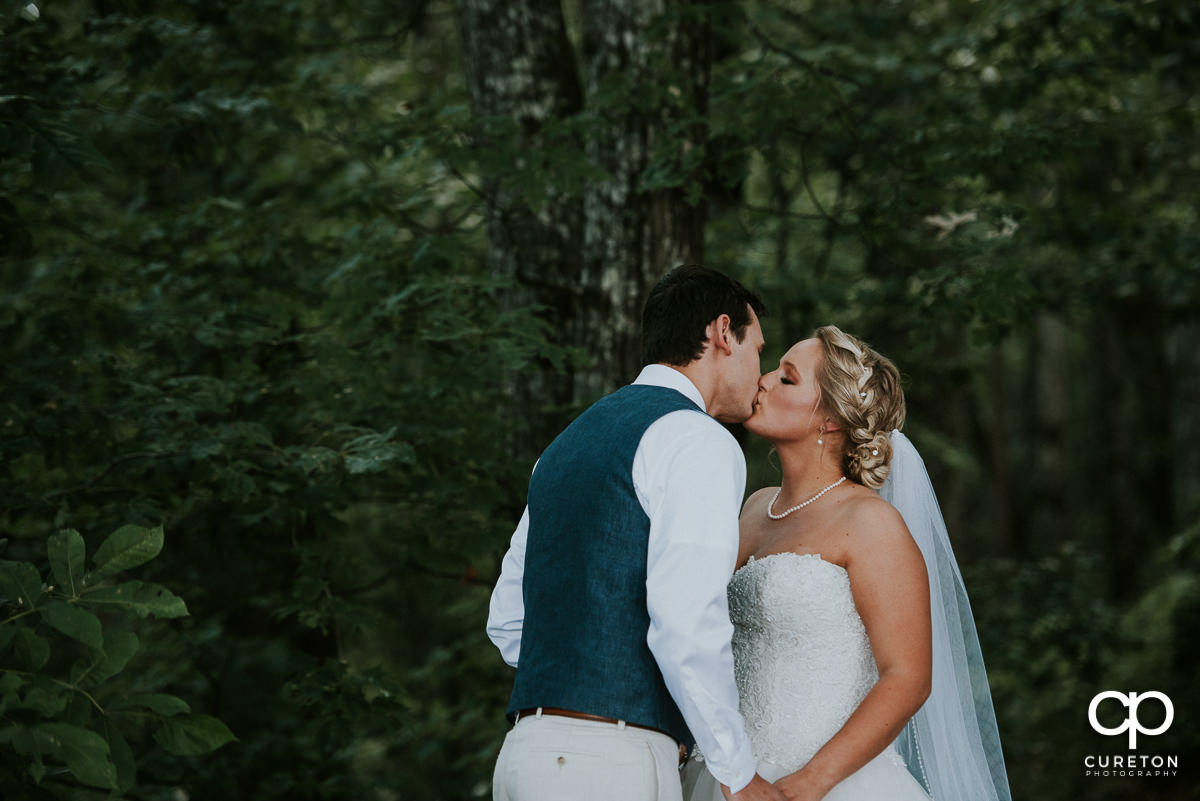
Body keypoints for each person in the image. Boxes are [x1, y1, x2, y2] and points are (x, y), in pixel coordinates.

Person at [486, 265, 787, 801]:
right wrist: (737, 776)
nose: (759, 370)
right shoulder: (697, 439)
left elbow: (508, 621)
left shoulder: (564, 445)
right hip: (608, 763)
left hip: (523, 756)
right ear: (723, 333)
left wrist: (580, 685)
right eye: (757, 348)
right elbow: (687, 621)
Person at [683, 325, 1012, 801]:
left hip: (832, 782)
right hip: (728, 775)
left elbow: (908, 676)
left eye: (788, 379)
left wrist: (811, 782)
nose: (764, 380)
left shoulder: (871, 523)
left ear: (830, 420)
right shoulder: (755, 508)